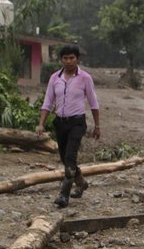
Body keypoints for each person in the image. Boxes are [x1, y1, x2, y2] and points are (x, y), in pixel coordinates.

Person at [36, 45, 100, 207]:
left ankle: (64, 195)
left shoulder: (85, 78)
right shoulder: (55, 78)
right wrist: (41, 124)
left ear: (77, 59)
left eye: (72, 58)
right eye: (65, 58)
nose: (69, 61)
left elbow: (93, 103)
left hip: (77, 123)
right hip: (60, 123)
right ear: (61, 60)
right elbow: (48, 102)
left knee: (70, 157)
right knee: (66, 160)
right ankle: (81, 182)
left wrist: (97, 125)